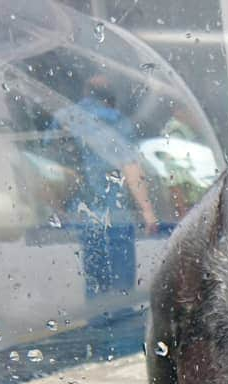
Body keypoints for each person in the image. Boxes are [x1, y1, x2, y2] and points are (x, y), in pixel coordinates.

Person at [51, 73, 158, 297]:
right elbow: (130, 167)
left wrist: (56, 206)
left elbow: (52, 167)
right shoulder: (117, 121)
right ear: (111, 97)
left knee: (94, 279)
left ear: (84, 92)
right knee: (121, 288)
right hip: (116, 215)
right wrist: (147, 211)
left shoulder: (63, 118)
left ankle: (97, 321)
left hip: (80, 213)